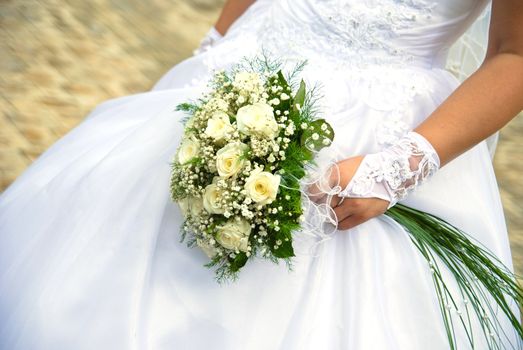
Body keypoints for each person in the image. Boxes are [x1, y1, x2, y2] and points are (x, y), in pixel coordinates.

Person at [0, 0, 522, 349]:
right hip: (236, 69)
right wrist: (215, 41)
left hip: (369, 131)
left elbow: (514, 55)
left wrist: (395, 170)